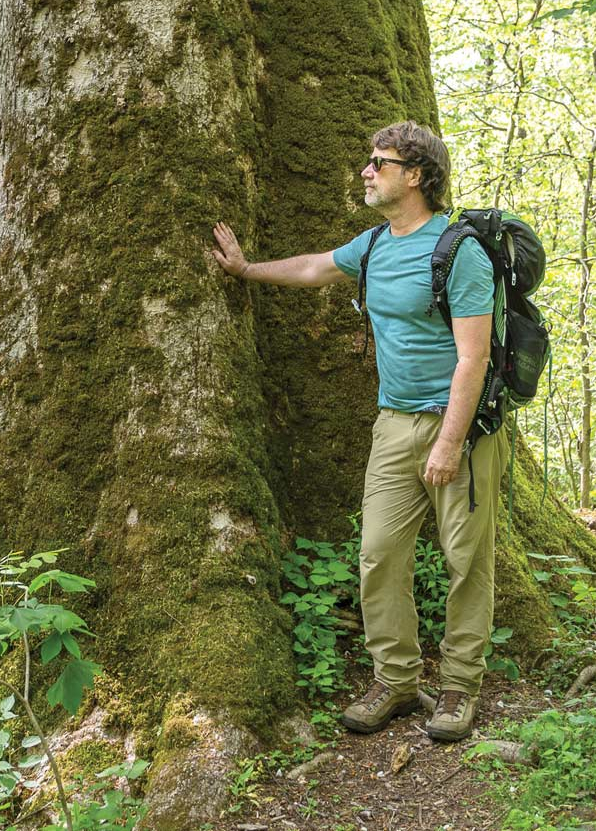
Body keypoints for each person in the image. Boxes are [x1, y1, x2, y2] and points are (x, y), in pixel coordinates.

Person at [211, 120, 506, 743]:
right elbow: (317, 267)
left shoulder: (459, 251)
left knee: (465, 559)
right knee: (378, 555)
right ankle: (396, 681)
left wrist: (450, 442)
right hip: (393, 424)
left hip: (462, 428)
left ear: (416, 175)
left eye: (380, 162)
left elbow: (473, 358)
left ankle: (458, 688)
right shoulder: (373, 245)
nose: (367, 171)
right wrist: (245, 270)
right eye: (369, 161)